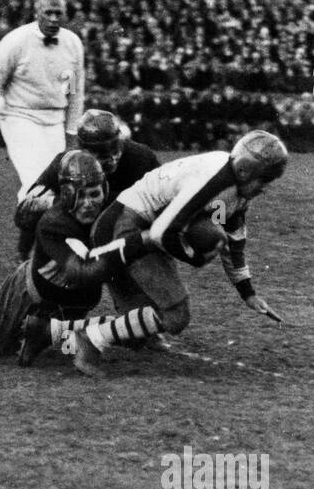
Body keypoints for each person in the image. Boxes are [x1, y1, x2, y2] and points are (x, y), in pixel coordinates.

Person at [33, 131, 288, 375]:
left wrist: (248, 292)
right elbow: (160, 233)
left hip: (134, 227)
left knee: (139, 333)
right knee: (176, 316)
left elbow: (233, 241)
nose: (265, 187)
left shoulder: (234, 186)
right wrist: (193, 257)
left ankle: (51, 331)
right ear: (246, 169)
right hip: (125, 228)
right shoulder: (214, 179)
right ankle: (89, 340)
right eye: (264, 179)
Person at [0, 151, 115, 376]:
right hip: (28, 294)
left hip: (70, 304)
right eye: (80, 196)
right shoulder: (54, 222)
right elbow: (79, 273)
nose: (89, 203)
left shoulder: (110, 210)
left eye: (94, 194)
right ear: (67, 195)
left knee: (59, 351)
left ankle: (37, 330)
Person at [13, 108, 160, 260]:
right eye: (102, 151)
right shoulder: (66, 163)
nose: (112, 157)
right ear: (83, 149)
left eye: (115, 146)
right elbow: (25, 212)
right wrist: (23, 253)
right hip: (83, 233)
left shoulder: (141, 157)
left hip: (129, 232)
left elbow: (162, 200)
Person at [0, 0, 85, 196]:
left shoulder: (73, 44)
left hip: (54, 119)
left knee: (57, 181)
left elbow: (75, 92)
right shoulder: (14, 41)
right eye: (48, 13)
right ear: (37, 13)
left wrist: (72, 133)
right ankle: (30, 226)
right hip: (19, 116)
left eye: (58, 13)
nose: (54, 19)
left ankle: (44, 227)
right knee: (36, 180)